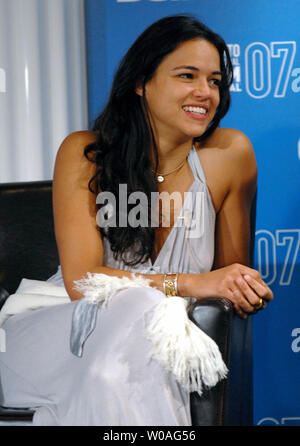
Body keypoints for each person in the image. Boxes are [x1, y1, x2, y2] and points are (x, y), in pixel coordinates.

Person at [0, 15, 273, 426]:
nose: (205, 93)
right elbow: (82, 284)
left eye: (215, 81)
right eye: (188, 75)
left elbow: (228, 290)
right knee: (138, 311)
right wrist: (186, 284)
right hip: (64, 333)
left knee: (114, 374)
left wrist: (241, 289)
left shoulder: (230, 156)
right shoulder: (84, 152)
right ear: (141, 82)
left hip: (155, 349)